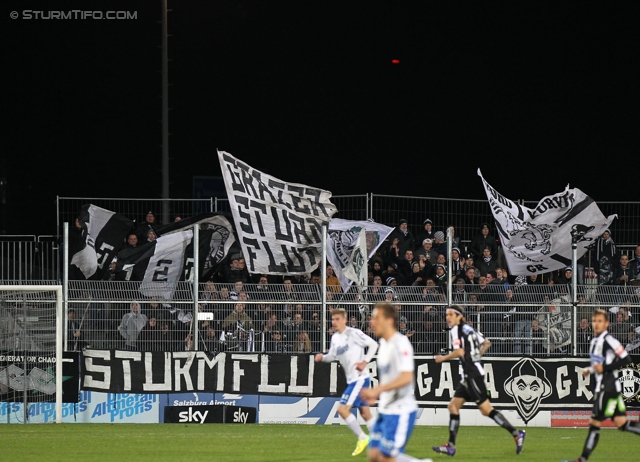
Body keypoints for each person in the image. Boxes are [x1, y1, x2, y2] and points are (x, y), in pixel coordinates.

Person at [432, 305, 525, 457]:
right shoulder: (470, 329)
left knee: (486, 410)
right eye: (446, 314)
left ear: (459, 316)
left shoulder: (457, 330)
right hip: (470, 375)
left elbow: (461, 351)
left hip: (472, 375)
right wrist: (476, 358)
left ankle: (517, 433)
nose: (447, 317)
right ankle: (451, 446)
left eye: (450, 314)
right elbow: (487, 343)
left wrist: (443, 358)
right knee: (453, 407)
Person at [561, 308, 640, 462]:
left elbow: (626, 359)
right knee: (621, 424)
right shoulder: (594, 341)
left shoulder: (609, 340)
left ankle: (582, 459)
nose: (596, 324)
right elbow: (599, 364)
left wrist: (604, 368)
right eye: (594, 321)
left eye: (600, 321)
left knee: (595, 424)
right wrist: (590, 370)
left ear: (606, 324)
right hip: (609, 388)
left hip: (607, 387)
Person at [359, 302, 432, 462]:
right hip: (385, 410)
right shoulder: (383, 344)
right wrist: (378, 395)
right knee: (374, 455)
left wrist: (377, 390)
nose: (372, 322)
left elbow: (407, 377)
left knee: (387, 458)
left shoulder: (401, 343)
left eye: (376, 318)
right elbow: (390, 379)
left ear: (390, 320)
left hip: (401, 411)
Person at [315, 308, 379, 457]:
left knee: (342, 410)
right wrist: (322, 358)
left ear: (345, 320)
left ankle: (363, 438)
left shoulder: (354, 333)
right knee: (365, 412)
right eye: (333, 319)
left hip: (359, 379)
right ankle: (383, 441)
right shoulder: (335, 338)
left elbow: (374, 345)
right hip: (353, 380)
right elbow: (332, 356)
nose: (334, 322)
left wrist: (364, 362)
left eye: (337, 319)